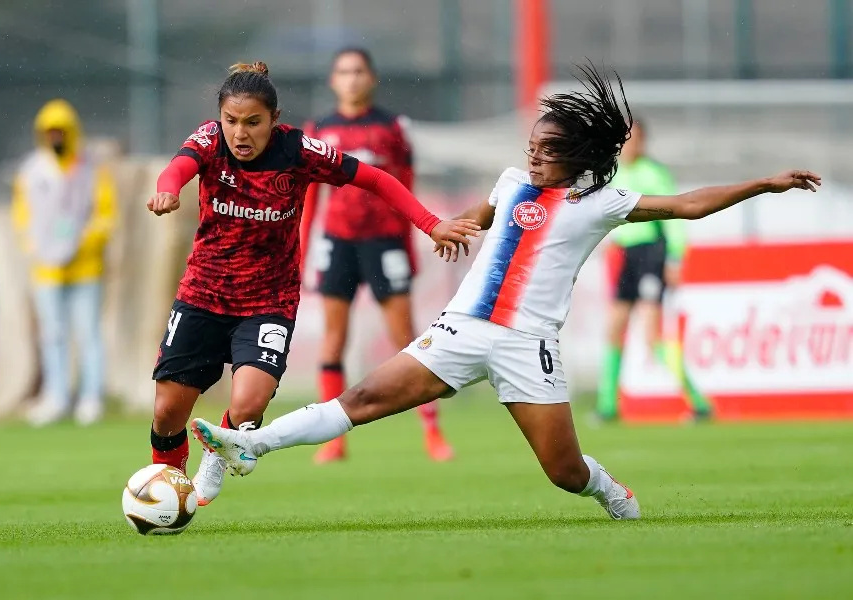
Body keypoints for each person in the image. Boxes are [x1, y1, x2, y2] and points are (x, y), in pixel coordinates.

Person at [190, 63, 819, 520]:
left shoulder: (601, 202)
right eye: (532, 146)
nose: (534, 155)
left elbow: (685, 205)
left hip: (527, 345)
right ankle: (248, 445)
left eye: (547, 149)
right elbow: (488, 216)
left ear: (577, 155)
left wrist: (763, 183)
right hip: (462, 328)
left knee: (564, 473)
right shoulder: (514, 179)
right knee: (364, 396)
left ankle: (612, 494)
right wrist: (456, 225)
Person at [146, 61, 479, 506]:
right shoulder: (209, 140)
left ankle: (215, 455)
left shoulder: (299, 151)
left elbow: (377, 178)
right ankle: (167, 487)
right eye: (231, 121)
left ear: (275, 120)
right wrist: (169, 189)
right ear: (220, 118)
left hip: (268, 300)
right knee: (168, 410)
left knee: (247, 406)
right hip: (204, 294)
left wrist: (431, 224)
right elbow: (178, 168)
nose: (240, 134)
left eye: (253, 122)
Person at [300, 47, 453, 463]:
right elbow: (309, 195)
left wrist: (408, 245)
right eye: (343, 72)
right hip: (337, 242)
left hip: (384, 242)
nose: (351, 78)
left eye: (358, 71)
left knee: (407, 339)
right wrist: (301, 251)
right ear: (334, 81)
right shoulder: (319, 129)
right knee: (334, 340)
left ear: (372, 78)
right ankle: (334, 440)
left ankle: (433, 433)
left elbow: (404, 187)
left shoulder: (391, 128)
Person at [12, 99, 118, 427]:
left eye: (60, 131)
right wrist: (33, 245)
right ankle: (56, 396)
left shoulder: (90, 168)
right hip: (47, 269)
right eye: (49, 132)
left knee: (87, 333)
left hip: (84, 267)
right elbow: (22, 214)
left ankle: (91, 397)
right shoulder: (32, 170)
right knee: (52, 334)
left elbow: (105, 214)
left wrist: (84, 242)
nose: (55, 137)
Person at [597, 119, 711, 421]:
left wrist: (674, 259)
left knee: (651, 335)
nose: (630, 144)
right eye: (625, 139)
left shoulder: (654, 174)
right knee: (615, 327)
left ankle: (698, 402)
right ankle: (608, 406)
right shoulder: (611, 173)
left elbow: (674, 217)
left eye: (635, 138)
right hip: (625, 256)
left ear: (644, 142)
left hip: (651, 253)